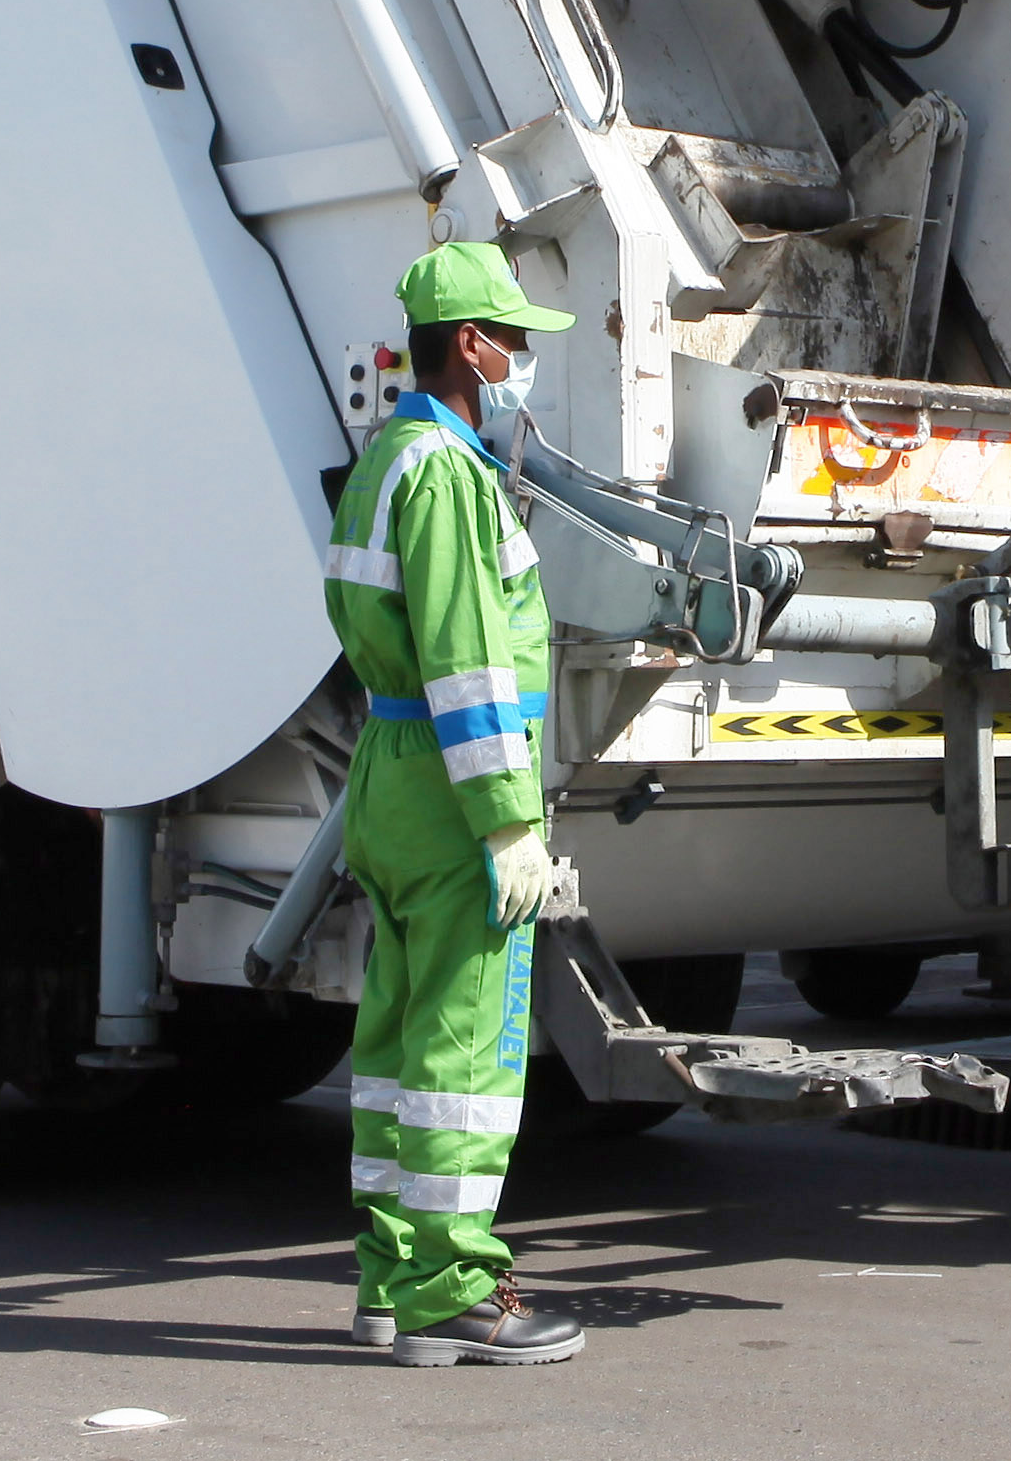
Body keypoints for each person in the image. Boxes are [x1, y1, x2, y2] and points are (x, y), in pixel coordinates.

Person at [315, 242, 588, 1368]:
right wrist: (508, 823)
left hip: (390, 774)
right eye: (514, 340)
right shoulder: (446, 475)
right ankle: (449, 1292)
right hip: (449, 791)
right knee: (464, 1052)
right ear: (470, 346)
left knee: (394, 1040)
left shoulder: (387, 459)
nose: (524, 360)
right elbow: (470, 664)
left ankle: (391, 1276)